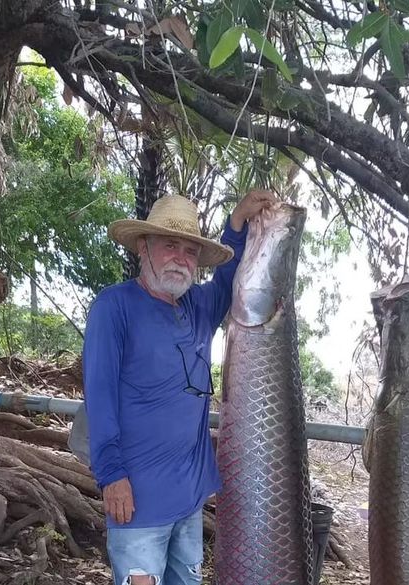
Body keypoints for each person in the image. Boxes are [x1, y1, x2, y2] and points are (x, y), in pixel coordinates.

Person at [83, 190, 276, 585]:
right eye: (170, 245)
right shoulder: (114, 307)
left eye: (190, 251)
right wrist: (111, 475)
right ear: (144, 246)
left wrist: (237, 221)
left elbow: (228, 278)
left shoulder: (199, 308)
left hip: (190, 499)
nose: (181, 258)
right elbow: (99, 399)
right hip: (136, 502)